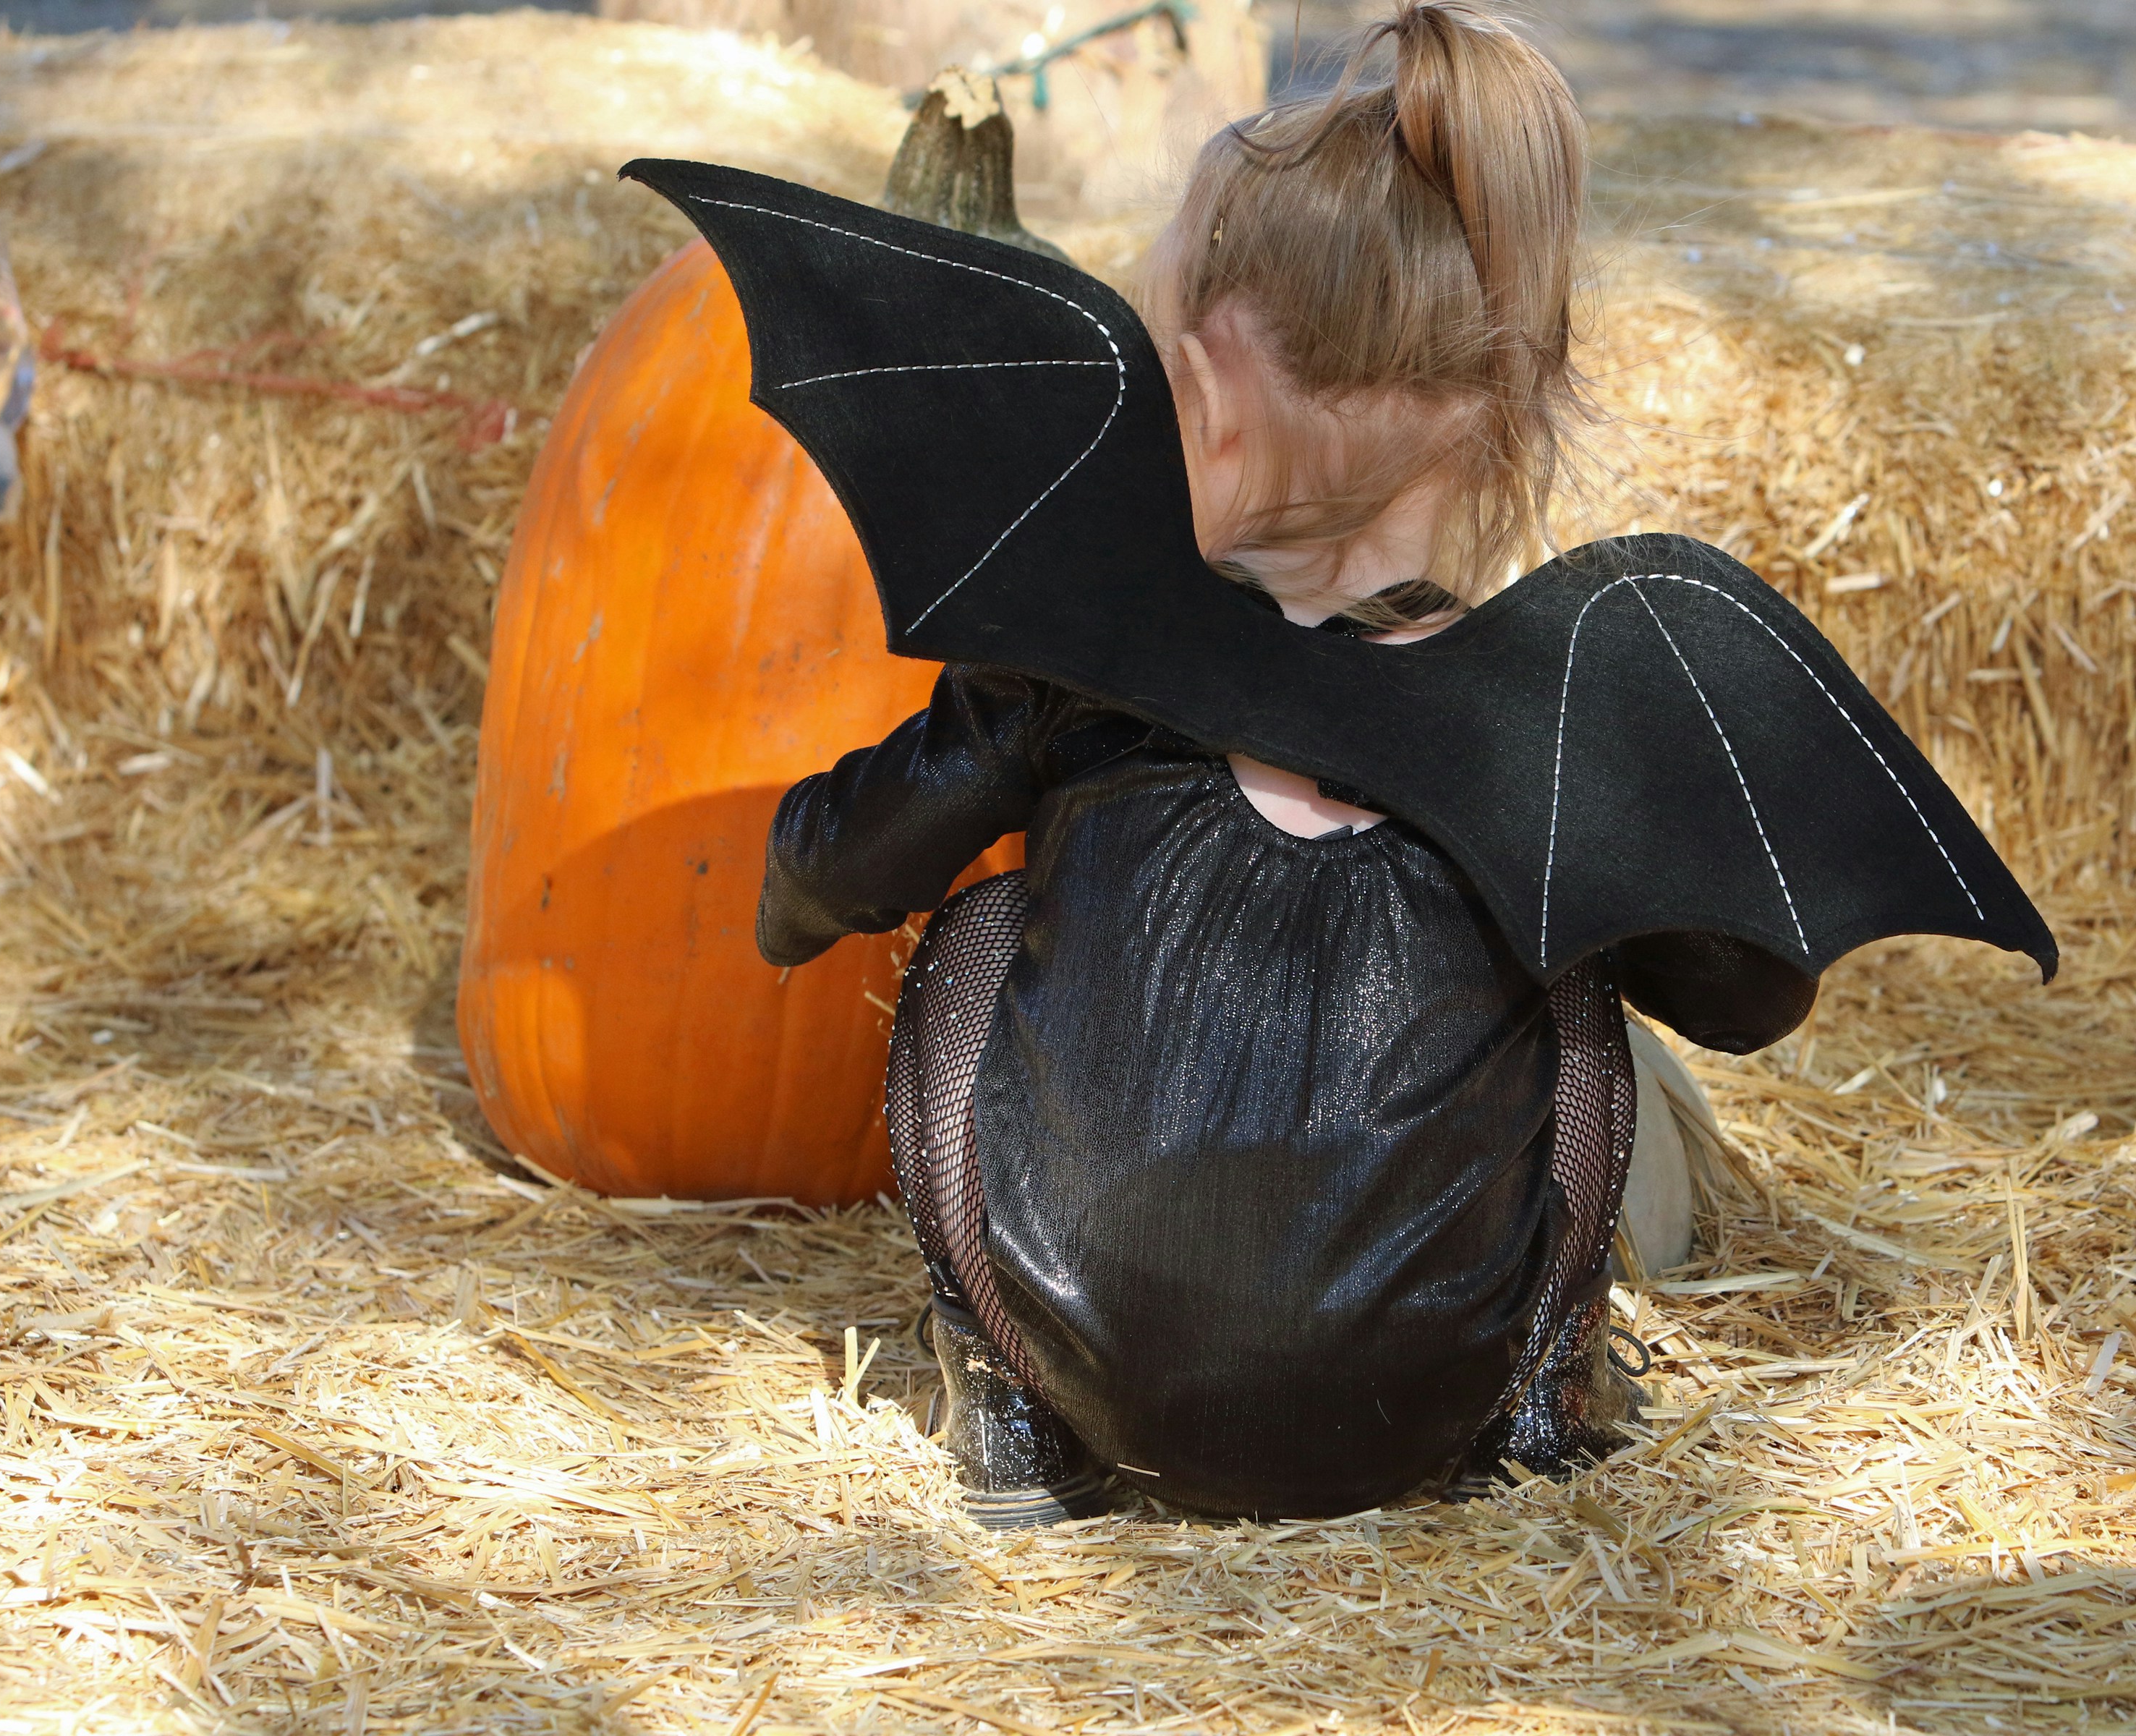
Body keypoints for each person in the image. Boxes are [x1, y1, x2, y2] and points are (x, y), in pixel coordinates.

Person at [754, 1, 1816, 1524]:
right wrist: (1642, 850)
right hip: (1416, 1412)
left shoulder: (1083, 662)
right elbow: (1749, 995)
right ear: (1502, 410)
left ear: (1198, 397)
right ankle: (1540, 1392)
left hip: (1104, 1385)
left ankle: (1011, 1409)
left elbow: (826, 873)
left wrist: (787, 899)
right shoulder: (1538, 722)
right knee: (1567, 971)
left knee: (978, 930)